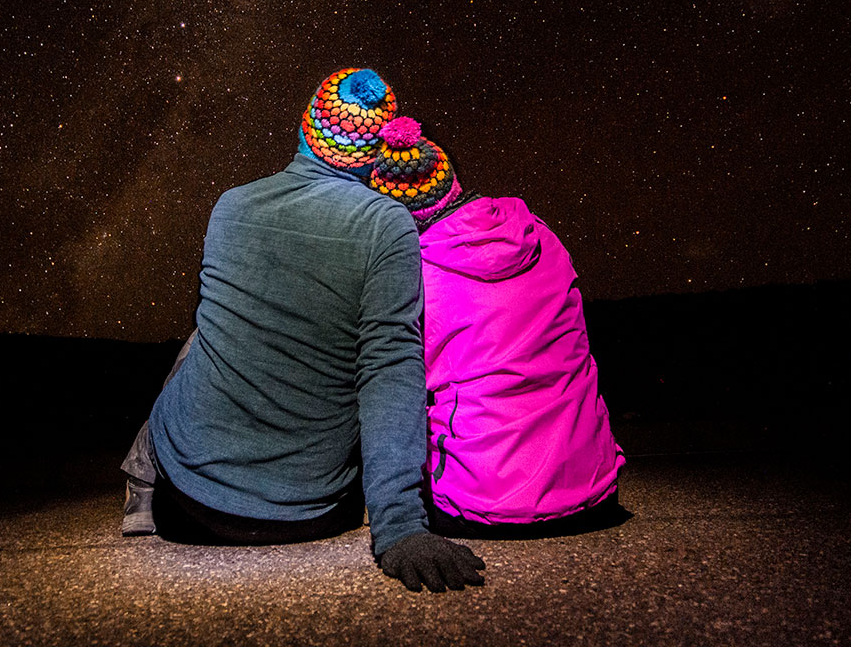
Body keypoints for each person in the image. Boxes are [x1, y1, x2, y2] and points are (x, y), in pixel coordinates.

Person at [120, 68, 486, 592]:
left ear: (304, 129)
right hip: (304, 513)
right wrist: (400, 525)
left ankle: (139, 478)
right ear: (377, 151)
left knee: (203, 334)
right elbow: (389, 370)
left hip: (187, 503)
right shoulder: (387, 225)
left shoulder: (230, 205)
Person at [369, 116, 625, 536]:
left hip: (478, 506)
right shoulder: (540, 235)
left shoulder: (414, 276)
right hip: (594, 491)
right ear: (450, 181)